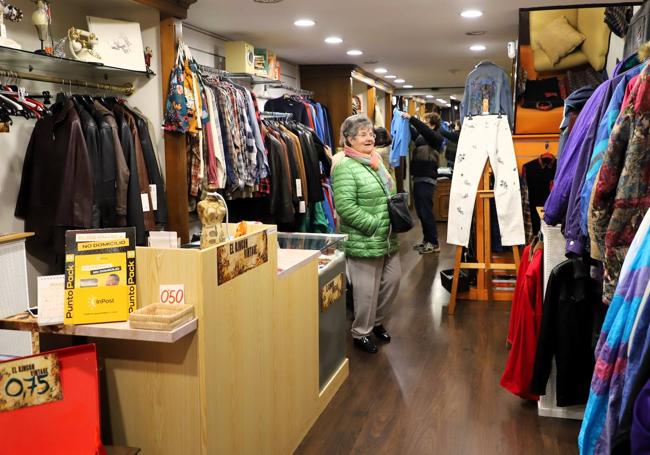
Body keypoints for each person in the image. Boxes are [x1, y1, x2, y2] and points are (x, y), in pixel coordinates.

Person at [331, 114, 401, 354]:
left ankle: (376, 322)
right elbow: (345, 207)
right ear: (349, 140)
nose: (369, 137)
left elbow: (389, 190)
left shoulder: (376, 161)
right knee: (366, 292)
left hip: (387, 237)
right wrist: (372, 225)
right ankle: (361, 332)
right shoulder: (344, 167)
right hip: (366, 238)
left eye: (371, 133)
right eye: (363, 134)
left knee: (392, 282)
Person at [402, 112, 460, 254]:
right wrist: (402, 119)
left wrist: (412, 118)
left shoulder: (436, 137)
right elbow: (415, 131)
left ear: (433, 125)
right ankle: (426, 240)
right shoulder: (423, 137)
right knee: (421, 212)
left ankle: (434, 243)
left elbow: (423, 130)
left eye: (426, 122)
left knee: (426, 211)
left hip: (427, 178)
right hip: (418, 177)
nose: (423, 124)